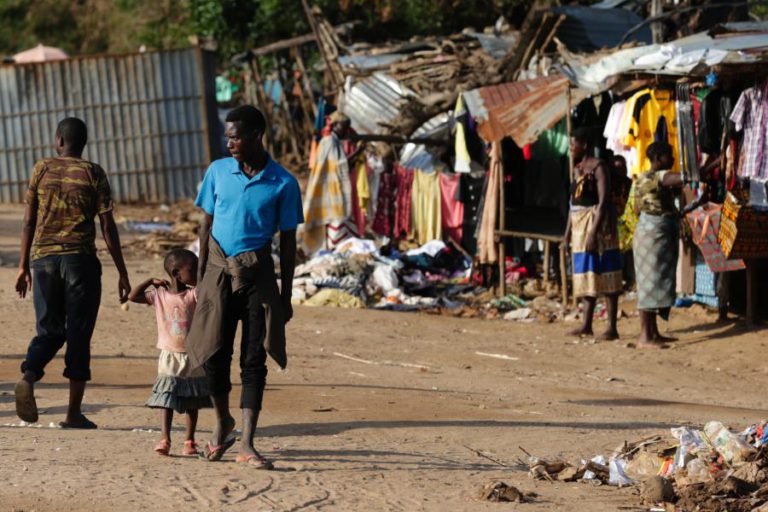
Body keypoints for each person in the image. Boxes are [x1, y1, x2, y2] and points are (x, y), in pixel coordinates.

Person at [187, 105, 303, 469]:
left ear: (256, 136)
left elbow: (287, 243)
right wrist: (201, 279)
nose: (229, 143)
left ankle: (248, 442)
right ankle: (223, 421)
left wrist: (285, 297)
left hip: (258, 277)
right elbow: (206, 225)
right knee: (213, 355)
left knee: (253, 361)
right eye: (227, 137)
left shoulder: (283, 182)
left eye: (235, 137)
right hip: (218, 275)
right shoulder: (218, 171)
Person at [14, 117, 131, 428]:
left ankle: (29, 375)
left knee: (49, 331)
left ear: (59, 141)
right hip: (80, 262)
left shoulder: (41, 168)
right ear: (83, 143)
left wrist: (23, 265)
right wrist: (122, 272)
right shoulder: (94, 172)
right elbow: (107, 226)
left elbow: (28, 221)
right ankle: (73, 413)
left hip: (43, 261)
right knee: (79, 334)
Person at [127, 249, 212, 456]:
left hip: (192, 355)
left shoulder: (193, 294)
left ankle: (189, 441)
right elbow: (132, 296)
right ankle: (165, 439)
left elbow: (207, 291)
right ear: (176, 273)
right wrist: (149, 281)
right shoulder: (159, 296)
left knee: (192, 399)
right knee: (167, 398)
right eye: (192, 269)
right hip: (169, 355)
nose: (197, 273)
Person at [563, 128, 622, 340]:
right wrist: (567, 234)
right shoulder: (577, 169)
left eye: (573, 144)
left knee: (607, 273)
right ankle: (586, 325)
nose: (571, 148)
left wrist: (593, 233)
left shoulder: (599, 167)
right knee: (587, 275)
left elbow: (604, 201)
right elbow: (572, 204)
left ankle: (612, 328)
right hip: (579, 226)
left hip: (599, 226)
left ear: (584, 145)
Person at [632, 141, 684, 348]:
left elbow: (637, 208)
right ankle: (645, 337)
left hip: (648, 232)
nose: (672, 159)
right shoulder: (659, 176)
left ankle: (653, 333)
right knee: (648, 285)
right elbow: (684, 178)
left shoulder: (642, 177)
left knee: (652, 283)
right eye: (669, 155)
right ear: (658, 158)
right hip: (653, 235)